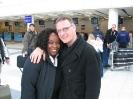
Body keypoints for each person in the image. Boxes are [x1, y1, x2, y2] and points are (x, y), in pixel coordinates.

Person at [30, 16, 101, 99]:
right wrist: (40, 48)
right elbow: (47, 42)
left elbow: (93, 89)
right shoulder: (61, 47)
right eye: (59, 30)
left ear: (74, 27)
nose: (62, 33)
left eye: (65, 29)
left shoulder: (88, 52)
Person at [21, 28, 62, 99]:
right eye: (50, 42)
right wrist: (39, 48)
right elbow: (27, 90)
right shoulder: (35, 60)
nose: (55, 46)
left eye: (58, 43)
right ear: (44, 42)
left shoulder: (60, 59)